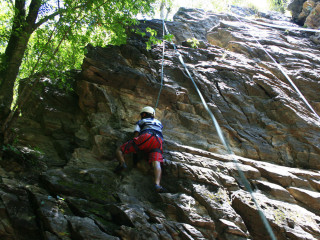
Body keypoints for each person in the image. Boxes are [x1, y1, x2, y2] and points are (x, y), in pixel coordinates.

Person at [114, 106, 165, 192]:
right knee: (156, 163)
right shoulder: (159, 122)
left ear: (144, 114)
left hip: (146, 136)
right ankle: (157, 184)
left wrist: (135, 145)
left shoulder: (141, 121)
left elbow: (136, 135)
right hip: (158, 141)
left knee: (119, 150)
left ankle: (122, 164)